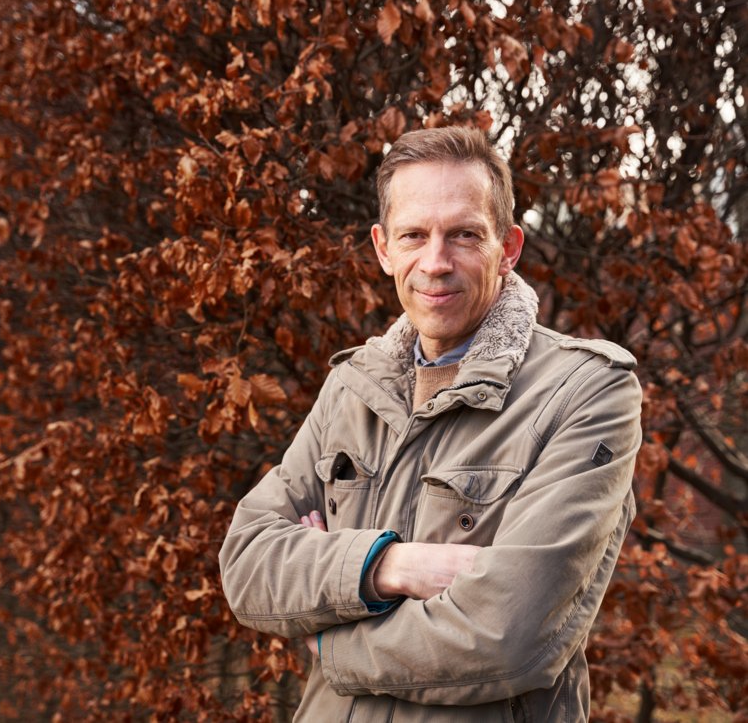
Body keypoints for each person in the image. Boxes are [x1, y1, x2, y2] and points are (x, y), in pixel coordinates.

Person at [219, 126, 642, 722]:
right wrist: (388, 566)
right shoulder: (351, 387)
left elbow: (506, 635)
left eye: (465, 235)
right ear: (383, 247)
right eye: (413, 235)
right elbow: (247, 564)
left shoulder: (586, 390)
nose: (435, 263)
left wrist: (326, 636)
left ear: (509, 246)